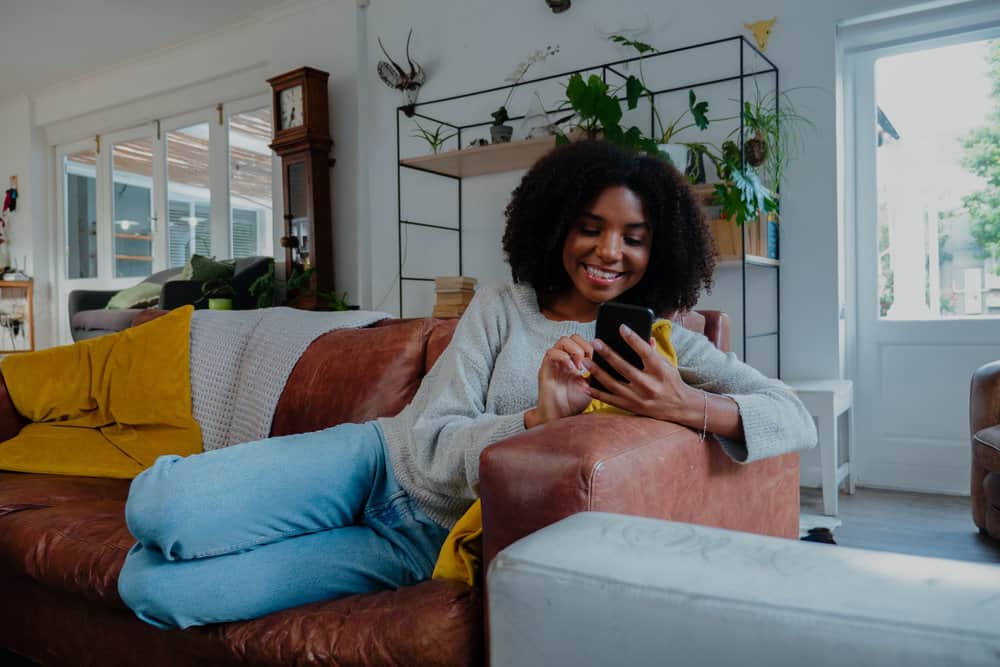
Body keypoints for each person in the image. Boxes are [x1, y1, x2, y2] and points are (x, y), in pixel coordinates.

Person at [117, 140, 817, 629]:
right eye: (591, 228)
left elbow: (793, 414)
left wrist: (683, 403)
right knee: (159, 505)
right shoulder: (500, 306)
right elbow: (428, 446)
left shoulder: (665, 345)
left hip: (422, 545)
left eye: (633, 236)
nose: (610, 251)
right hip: (375, 463)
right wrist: (535, 420)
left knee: (146, 586)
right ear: (556, 228)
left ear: (656, 248)